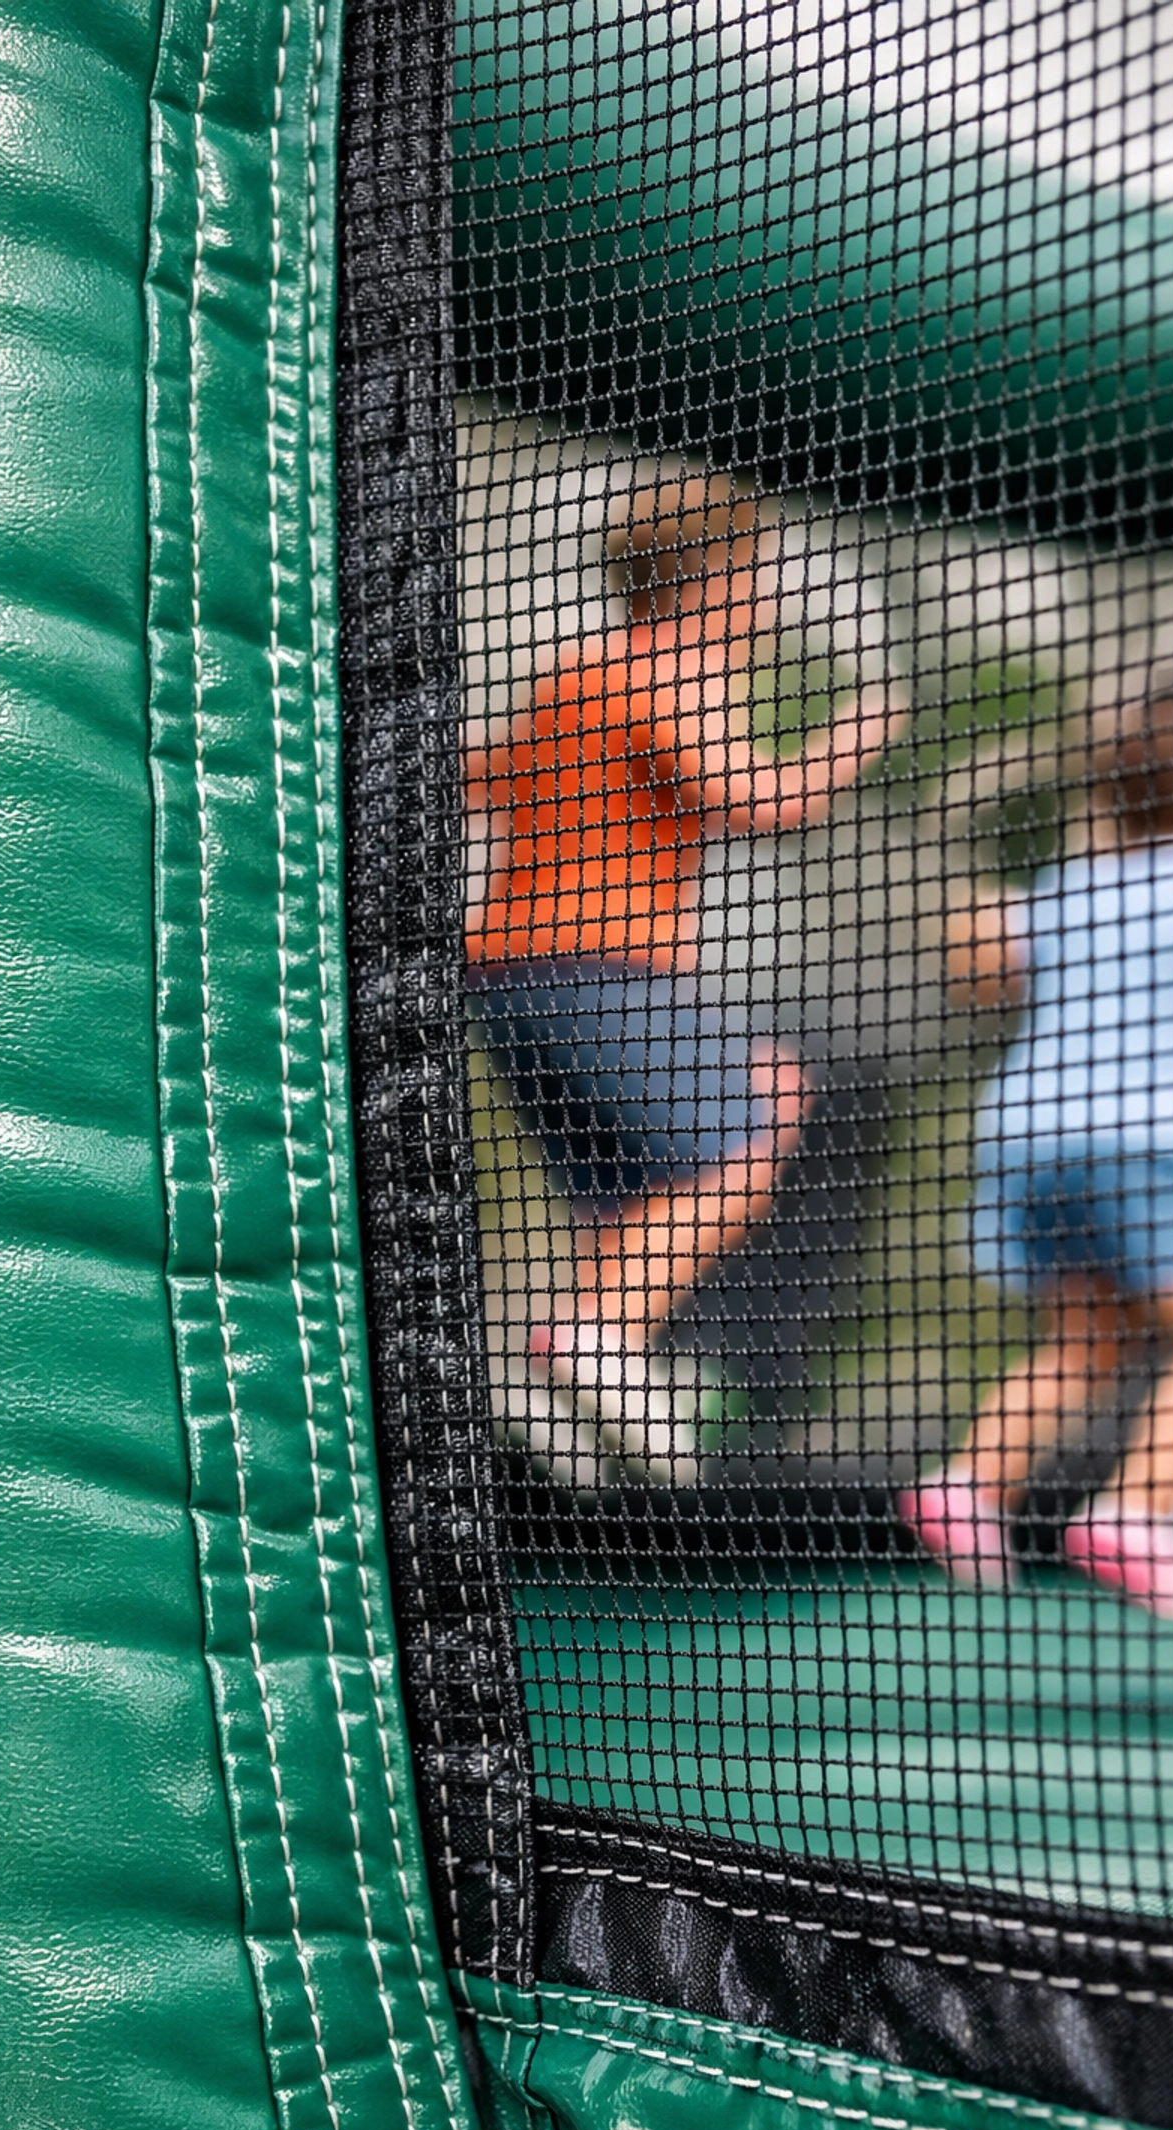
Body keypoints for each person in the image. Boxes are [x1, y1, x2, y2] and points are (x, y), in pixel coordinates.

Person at [466, 472, 902, 1481]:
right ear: (718, 579)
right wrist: (849, 740)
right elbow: (752, 798)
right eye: (756, 576)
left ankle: (571, 1411)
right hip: (602, 969)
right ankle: (595, 1341)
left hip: (507, 990)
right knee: (768, 1107)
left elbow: (483, 778)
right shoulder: (674, 670)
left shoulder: (569, 674)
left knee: (628, 1201)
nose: (765, 602)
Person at [907, 682, 1173, 1617]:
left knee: (1089, 1342)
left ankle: (969, 1486)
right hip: (1140, 1140)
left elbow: (983, 964)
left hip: (1023, 1142)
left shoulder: (1079, 881)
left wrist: (972, 921)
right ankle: (1139, 1510)